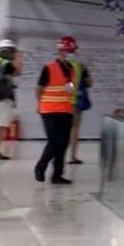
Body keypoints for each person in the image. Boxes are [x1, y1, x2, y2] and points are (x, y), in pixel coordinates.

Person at [34, 37, 84, 185]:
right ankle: (41, 166)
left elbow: (70, 90)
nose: (70, 54)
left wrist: (72, 107)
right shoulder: (48, 68)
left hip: (66, 111)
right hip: (49, 111)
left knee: (63, 143)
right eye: (68, 51)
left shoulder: (72, 70)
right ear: (60, 51)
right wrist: (40, 104)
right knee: (54, 142)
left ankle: (57, 175)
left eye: (72, 51)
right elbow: (39, 89)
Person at [60, 36, 92, 165]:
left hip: (58, 102)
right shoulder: (80, 66)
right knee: (74, 129)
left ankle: (58, 155)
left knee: (61, 130)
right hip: (74, 101)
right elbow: (89, 83)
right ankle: (72, 156)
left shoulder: (55, 65)